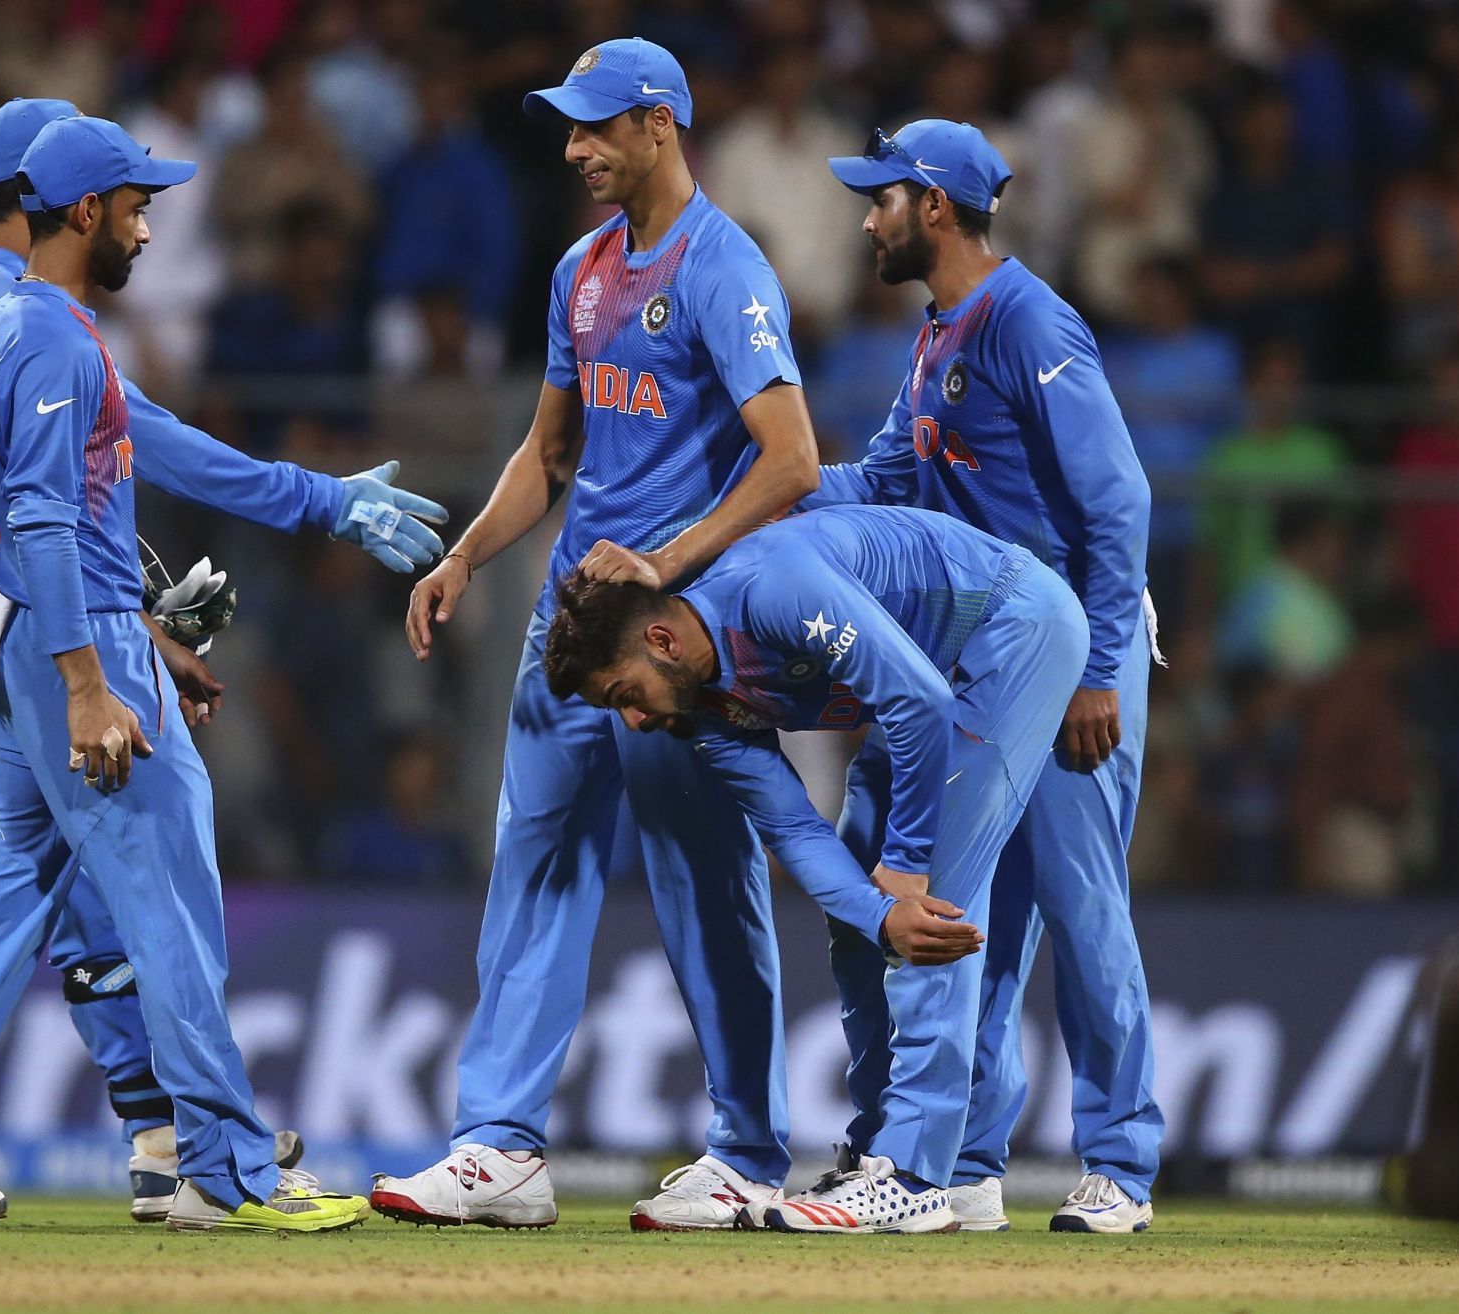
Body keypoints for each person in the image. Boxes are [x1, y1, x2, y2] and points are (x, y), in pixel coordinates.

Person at [0, 105, 443, 1229]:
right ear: (69, 203)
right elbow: (63, 509)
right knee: (154, 893)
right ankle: (215, 1162)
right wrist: (79, 651)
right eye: (139, 206)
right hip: (50, 635)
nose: (150, 230)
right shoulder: (47, 331)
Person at [376, 39, 821, 1233]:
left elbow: (795, 461)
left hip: (676, 639)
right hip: (572, 628)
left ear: (659, 124)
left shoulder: (726, 272)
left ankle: (746, 1153)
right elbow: (552, 455)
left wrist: (667, 566)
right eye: (568, 128)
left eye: (594, 126)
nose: (573, 148)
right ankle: (500, 1148)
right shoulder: (582, 267)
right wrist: (466, 556)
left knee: (705, 886)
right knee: (535, 869)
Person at [543, 503, 1088, 1232]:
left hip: (1012, 628)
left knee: (932, 915)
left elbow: (918, 701)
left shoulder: (774, 588)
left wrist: (904, 868)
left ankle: (917, 1174)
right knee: (866, 926)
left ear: (662, 638)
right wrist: (876, 908)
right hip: (931, 687)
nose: (635, 722)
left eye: (624, 696)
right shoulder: (704, 711)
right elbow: (796, 829)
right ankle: (894, 1159)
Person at [807, 120, 1163, 1233]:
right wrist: (751, 483)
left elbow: (1119, 502)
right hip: (992, 662)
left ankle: (1123, 1163)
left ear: (936, 207)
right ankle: (968, 1163)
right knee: (979, 915)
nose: (868, 220)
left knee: (1080, 900)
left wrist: (1101, 668)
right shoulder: (935, 337)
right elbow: (880, 477)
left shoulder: (1027, 319)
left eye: (882, 200)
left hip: (1071, 658)